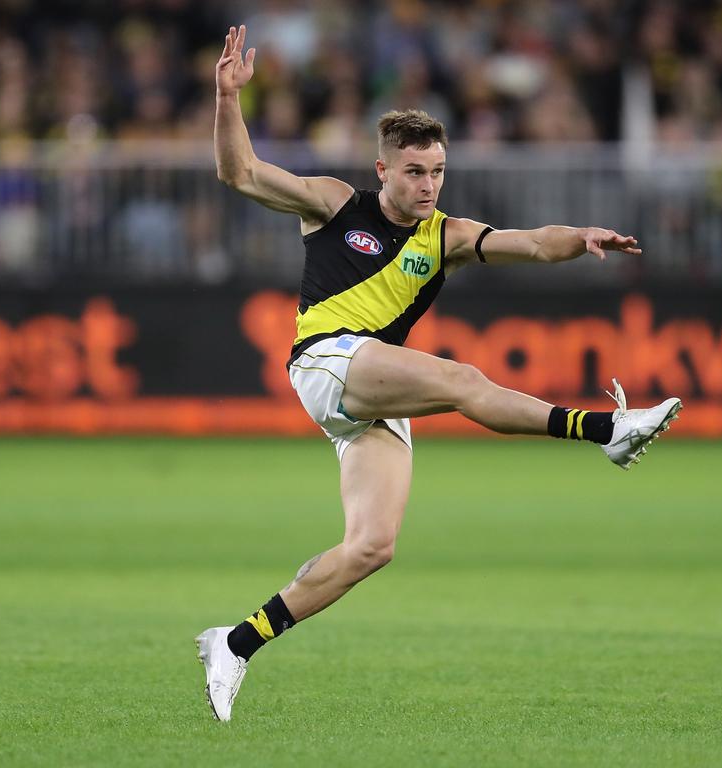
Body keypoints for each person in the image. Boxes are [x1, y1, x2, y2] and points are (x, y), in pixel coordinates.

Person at [196, 25, 683, 722]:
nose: (428, 185)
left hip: (369, 392)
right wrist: (226, 98)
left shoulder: (447, 236)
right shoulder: (336, 205)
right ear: (383, 171)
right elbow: (238, 173)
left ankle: (236, 642)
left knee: (372, 547)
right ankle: (606, 428)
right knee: (461, 380)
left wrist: (579, 238)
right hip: (328, 361)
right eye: (415, 172)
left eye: (437, 172)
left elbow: (529, 245)